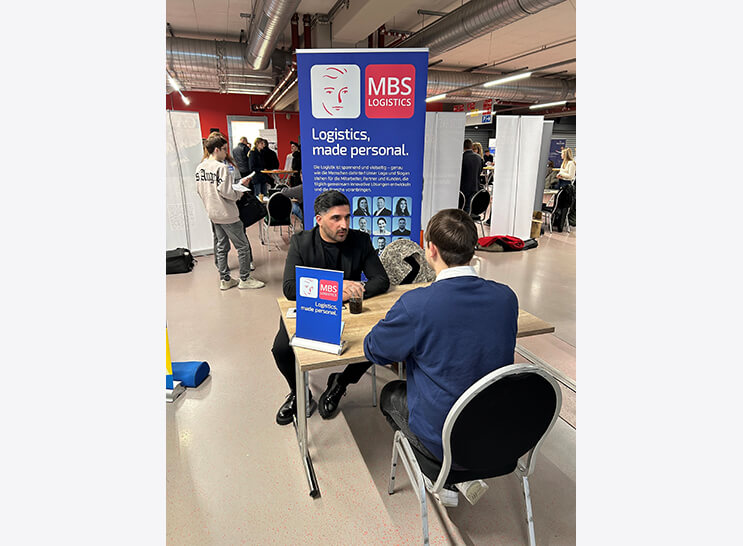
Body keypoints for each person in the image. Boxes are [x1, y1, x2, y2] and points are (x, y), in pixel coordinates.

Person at [364, 208, 518, 506]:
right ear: (474, 248)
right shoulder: (506, 297)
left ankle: (439, 475)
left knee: (391, 394)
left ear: (430, 249)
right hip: (497, 430)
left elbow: (374, 349)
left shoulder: (416, 305)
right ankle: (461, 475)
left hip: (444, 438)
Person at [271, 190, 390, 425]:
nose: (344, 224)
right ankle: (299, 393)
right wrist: (335, 289)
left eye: (347, 217)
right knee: (281, 349)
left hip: (349, 310)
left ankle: (340, 382)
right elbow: (290, 288)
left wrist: (350, 292)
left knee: (379, 342)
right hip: (313, 308)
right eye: (336, 218)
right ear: (319, 219)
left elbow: (380, 280)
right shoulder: (301, 242)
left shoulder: (360, 240)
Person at [194, 133, 266, 290]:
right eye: (224, 149)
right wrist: (240, 190)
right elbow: (228, 193)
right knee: (242, 247)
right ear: (217, 149)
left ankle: (225, 279)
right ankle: (245, 278)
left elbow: (201, 190)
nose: (226, 153)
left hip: (213, 213)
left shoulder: (200, 167)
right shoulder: (221, 168)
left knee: (221, 246)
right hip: (228, 214)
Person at [460, 139, 481, 213]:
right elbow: (479, 172)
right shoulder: (479, 158)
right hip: (475, 187)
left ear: (463, 147)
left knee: (461, 208)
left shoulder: (461, 157)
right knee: (469, 207)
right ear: (471, 146)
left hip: (463, 188)